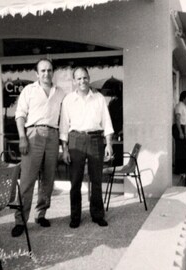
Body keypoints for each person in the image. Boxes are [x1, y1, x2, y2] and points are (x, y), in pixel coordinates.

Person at [11, 58, 65, 237]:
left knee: (48, 179)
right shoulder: (29, 90)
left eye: (49, 70)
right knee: (27, 180)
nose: (46, 73)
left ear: (53, 72)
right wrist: (22, 138)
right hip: (33, 134)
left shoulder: (60, 92)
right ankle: (20, 220)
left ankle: (41, 214)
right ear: (37, 73)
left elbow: (64, 119)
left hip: (53, 135)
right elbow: (20, 115)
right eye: (43, 70)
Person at [60, 67, 114, 229]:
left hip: (96, 139)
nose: (82, 81)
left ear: (89, 78)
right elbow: (64, 126)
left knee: (96, 179)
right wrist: (65, 149)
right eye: (78, 78)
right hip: (75, 139)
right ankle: (75, 216)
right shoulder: (68, 100)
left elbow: (107, 122)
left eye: (85, 78)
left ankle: (97, 214)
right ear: (74, 81)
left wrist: (109, 144)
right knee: (75, 180)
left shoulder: (99, 98)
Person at [172, 91, 186, 175]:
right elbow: (177, 118)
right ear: (184, 98)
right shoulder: (179, 105)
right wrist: (180, 132)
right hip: (178, 127)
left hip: (182, 127)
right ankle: (180, 171)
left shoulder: (183, 106)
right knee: (182, 150)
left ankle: (182, 170)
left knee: (184, 150)